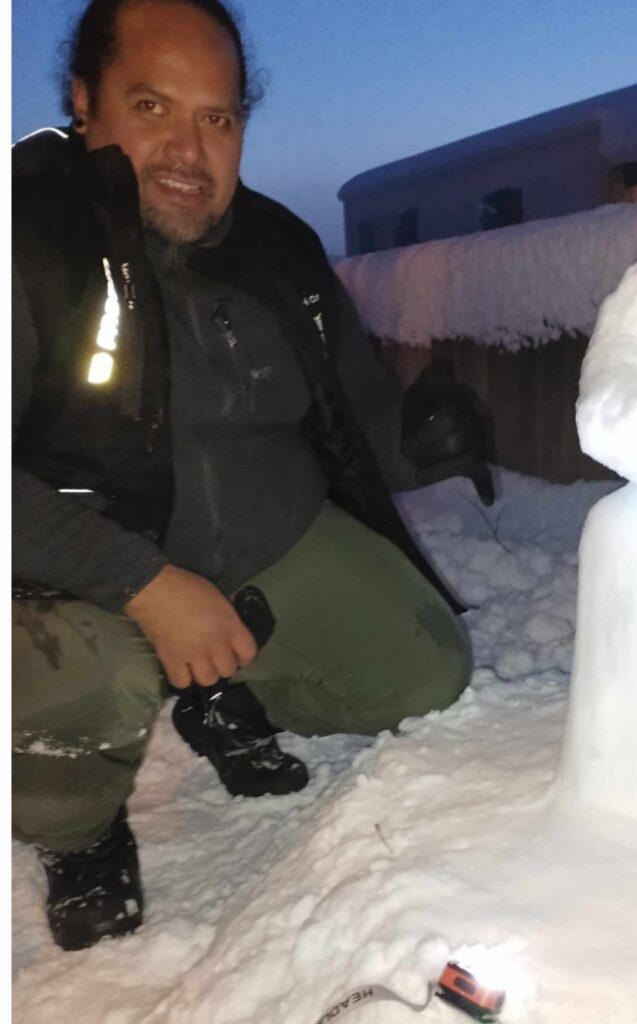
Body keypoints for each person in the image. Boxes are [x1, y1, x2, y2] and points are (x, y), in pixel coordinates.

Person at [14, 0, 487, 952]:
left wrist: (428, 434)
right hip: (78, 571)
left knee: (427, 668)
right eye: (152, 106)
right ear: (83, 101)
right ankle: (79, 827)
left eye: (218, 119)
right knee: (91, 684)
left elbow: (358, 415)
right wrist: (145, 585)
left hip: (269, 541)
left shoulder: (279, 248)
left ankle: (223, 689)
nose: (190, 151)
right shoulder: (25, 238)